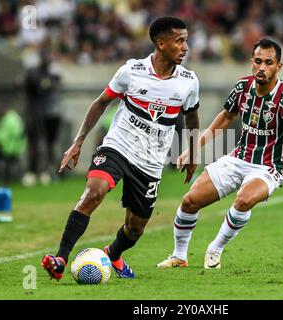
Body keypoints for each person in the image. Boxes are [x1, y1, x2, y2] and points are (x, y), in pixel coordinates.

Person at [157, 38, 283, 270]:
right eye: (258, 61)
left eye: (269, 63)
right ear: (251, 62)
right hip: (238, 158)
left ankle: (215, 249)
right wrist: (193, 148)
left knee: (243, 200)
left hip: (269, 167)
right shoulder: (243, 87)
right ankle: (179, 256)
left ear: (279, 67)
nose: (262, 68)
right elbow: (225, 118)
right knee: (190, 201)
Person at [41, 16, 200, 280]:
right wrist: (78, 141)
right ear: (161, 44)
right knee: (94, 192)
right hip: (119, 146)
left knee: (135, 229)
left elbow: (192, 115)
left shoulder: (188, 81)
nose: (185, 47)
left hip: (150, 161)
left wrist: (193, 150)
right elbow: (100, 103)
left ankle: (113, 254)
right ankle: (60, 259)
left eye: (186, 40)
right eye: (179, 41)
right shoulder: (132, 70)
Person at [22, 50, 62, 186]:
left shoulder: (52, 74)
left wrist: (49, 84)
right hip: (36, 112)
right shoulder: (33, 73)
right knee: (34, 143)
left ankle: (48, 171)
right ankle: (32, 171)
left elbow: (54, 84)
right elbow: (37, 87)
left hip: (51, 113)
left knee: (49, 144)